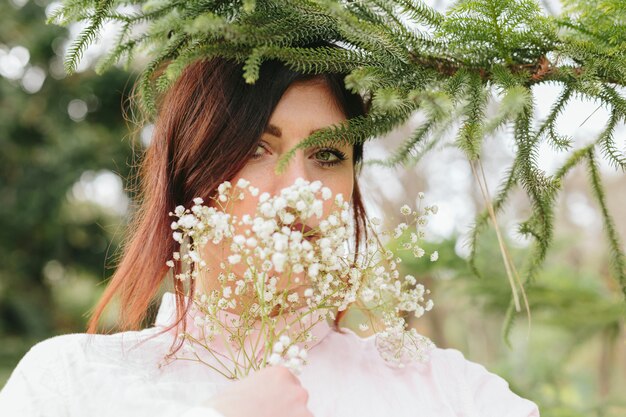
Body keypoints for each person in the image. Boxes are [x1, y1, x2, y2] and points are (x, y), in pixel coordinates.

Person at [0, 41, 540, 417]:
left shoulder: (446, 391)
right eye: (259, 147)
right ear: (190, 176)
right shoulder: (73, 380)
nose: (299, 187)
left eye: (329, 155)